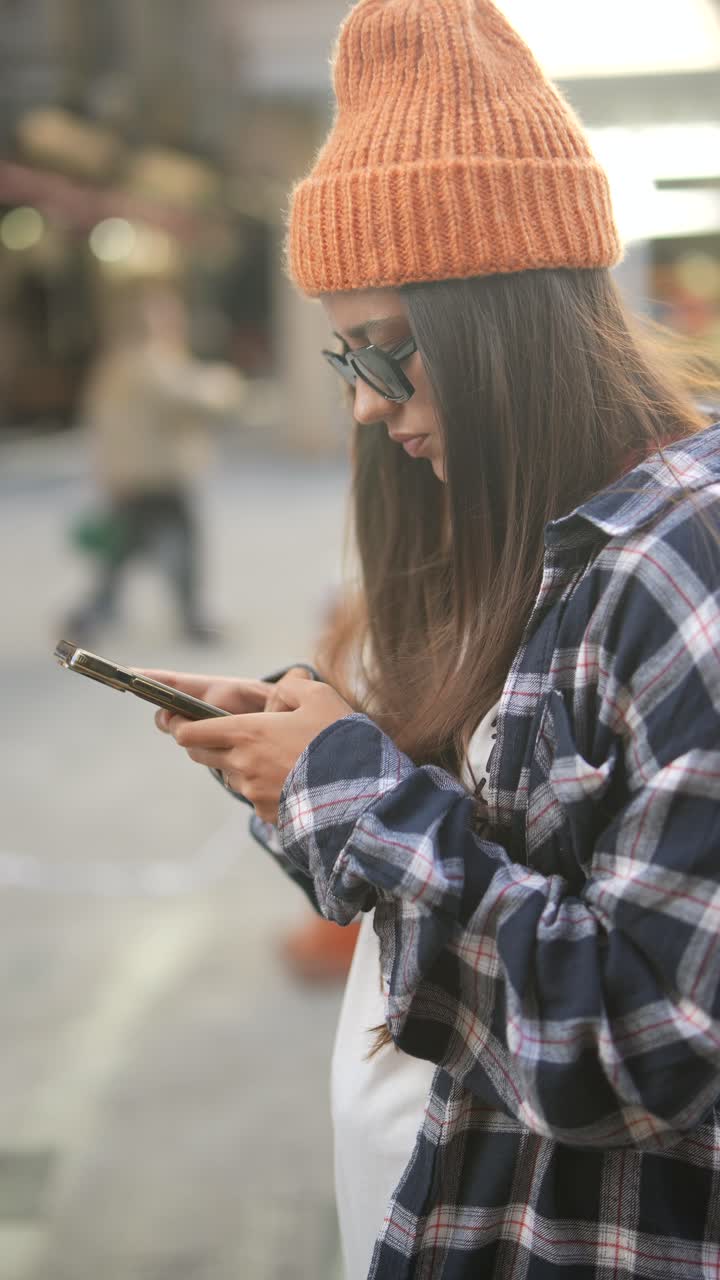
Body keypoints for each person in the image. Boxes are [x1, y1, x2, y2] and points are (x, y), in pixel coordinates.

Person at [145, 2, 720, 1276]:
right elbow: (457, 898)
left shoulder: (687, 567)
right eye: (348, 354)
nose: (366, 405)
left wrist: (350, 792)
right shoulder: (522, 534)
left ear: (509, 326)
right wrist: (303, 769)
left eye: (396, 353)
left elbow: (647, 1042)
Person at [65, 282, 245, 644]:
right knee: (180, 545)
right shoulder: (147, 361)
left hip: (134, 476)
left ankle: (91, 614)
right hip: (154, 476)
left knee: (122, 550)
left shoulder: (117, 361)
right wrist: (227, 384)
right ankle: (191, 616)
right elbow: (194, 396)